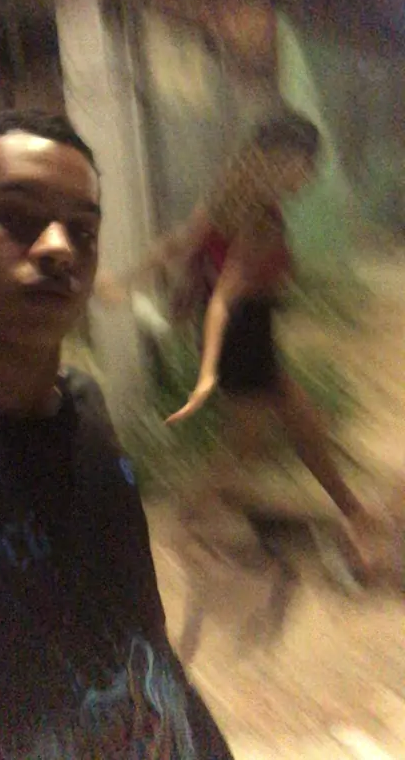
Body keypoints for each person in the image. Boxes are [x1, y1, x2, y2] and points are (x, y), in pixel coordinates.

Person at [0, 110, 233, 759]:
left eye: (83, 230)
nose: (58, 247)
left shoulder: (84, 411)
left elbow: (139, 636)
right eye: (16, 217)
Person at [103, 112, 376, 570]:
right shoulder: (258, 214)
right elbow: (231, 281)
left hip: (246, 332)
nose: (309, 177)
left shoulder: (227, 201)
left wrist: (127, 282)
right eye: (307, 165)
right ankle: (185, 522)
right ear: (283, 160)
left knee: (300, 424)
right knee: (250, 444)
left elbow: (178, 245)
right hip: (242, 335)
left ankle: (353, 512)